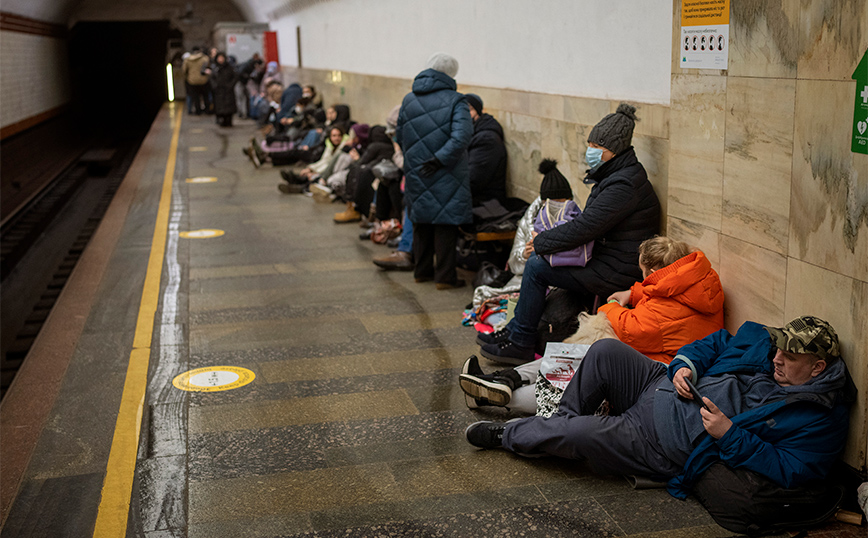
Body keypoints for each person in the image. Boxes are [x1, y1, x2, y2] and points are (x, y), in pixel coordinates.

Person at [465, 315, 855, 500]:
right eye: (780, 350)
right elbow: (715, 342)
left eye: (790, 358)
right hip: (659, 382)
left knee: (582, 432)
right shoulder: (767, 348)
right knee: (604, 351)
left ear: (818, 368)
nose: (778, 359)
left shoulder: (820, 418)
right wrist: (687, 365)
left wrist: (730, 434)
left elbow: (792, 470)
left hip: (660, 440)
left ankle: (513, 435)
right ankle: (553, 431)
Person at [478, 103, 660, 363]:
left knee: (537, 266)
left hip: (617, 270)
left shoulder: (623, 184)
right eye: (590, 144)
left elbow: (586, 228)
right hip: (606, 260)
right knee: (539, 263)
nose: (591, 151)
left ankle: (520, 341)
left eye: (597, 147)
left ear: (614, 151)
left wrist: (542, 242)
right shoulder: (616, 176)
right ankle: (514, 331)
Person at [459, 235, 725, 414]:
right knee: (576, 355)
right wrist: (632, 294)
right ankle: (503, 380)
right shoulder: (695, 282)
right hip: (660, 359)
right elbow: (661, 292)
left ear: (654, 272)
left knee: (578, 369)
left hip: (659, 375)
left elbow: (632, 325)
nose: (642, 279)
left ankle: (496, 394)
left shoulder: (665, 309)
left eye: (643, 273)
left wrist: (611, 306)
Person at [397, 53, 473, 290]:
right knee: (445, 224)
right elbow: (462, 136)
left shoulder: (409, 99)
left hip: (417, 168)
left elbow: (400, 134)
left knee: (421, 220)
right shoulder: (456, 100)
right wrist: (439, 160)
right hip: (445, 171)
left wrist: (415, 159)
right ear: (451, 75)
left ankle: (422, 272)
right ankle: (445, 277)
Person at [465, 94, 507, 206]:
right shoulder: (470, 133)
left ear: (478, 112)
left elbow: (473, 180)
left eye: (468, 110)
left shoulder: (487, 140)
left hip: (485, 202)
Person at [210, 52, 237, 127]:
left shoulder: (229, 68)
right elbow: (212, 78)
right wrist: (215, 86)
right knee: (220, 107)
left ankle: (228, 121)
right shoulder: (215, 68)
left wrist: (230, 85)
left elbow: (235, 77)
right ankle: (222, 120)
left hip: (228, 91)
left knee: (229, 107)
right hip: (219, 91)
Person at [182, 46, 211, 115]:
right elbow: (208, 67)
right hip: (203, 80)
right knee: (205, 96)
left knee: (196, 97)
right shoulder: (205, 58)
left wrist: (188, 77)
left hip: (192, 81)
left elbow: (184, 70)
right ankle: (207, 110)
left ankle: (198, 111)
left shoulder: (187, 59)